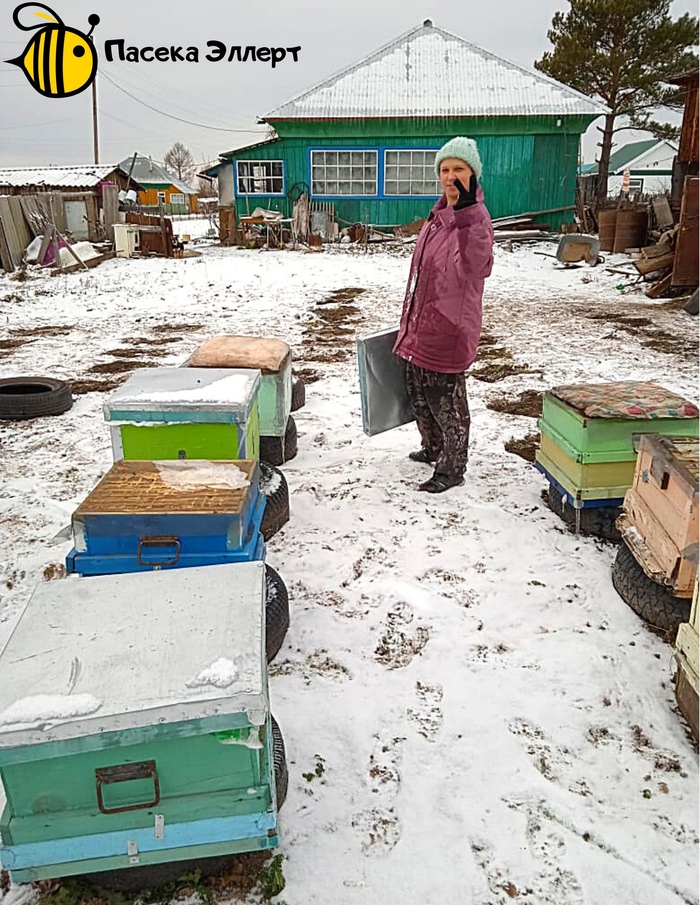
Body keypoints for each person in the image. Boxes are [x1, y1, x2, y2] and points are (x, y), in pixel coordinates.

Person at [393, 136, 494, 493]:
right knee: (420, 393)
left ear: (473, 175)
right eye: (446, 169)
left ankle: (452, 468)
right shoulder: (438, 215)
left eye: (460, 169)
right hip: (423, 323)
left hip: (450, 327)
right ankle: (432, 447)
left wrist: (466, 213)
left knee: (447, 402)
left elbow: (477, 265)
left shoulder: (475, 220)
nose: (451, 176)